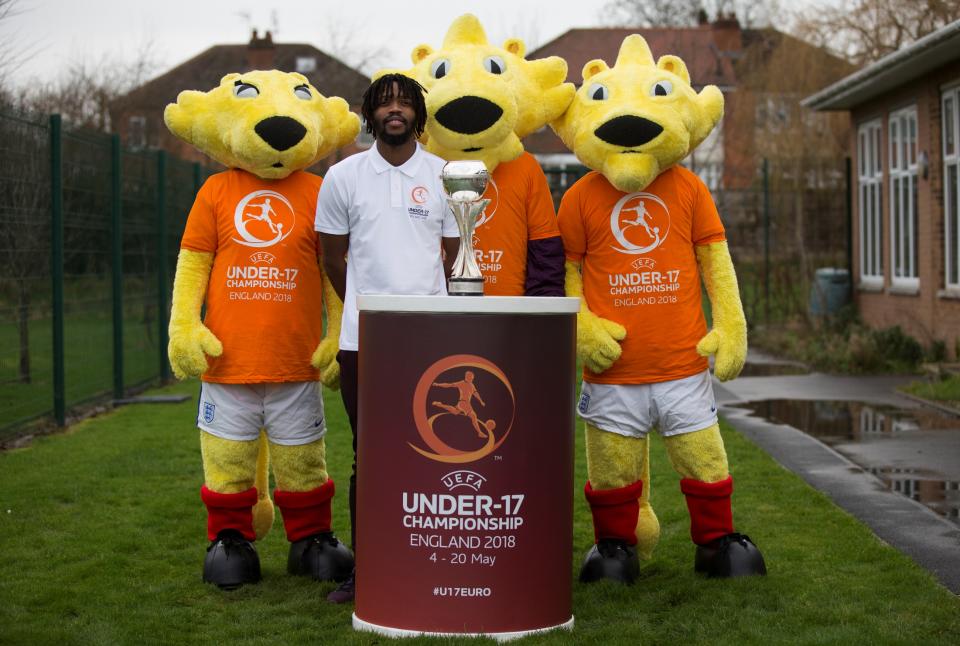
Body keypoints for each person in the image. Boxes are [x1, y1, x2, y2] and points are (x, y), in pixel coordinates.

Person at [315, 73, 460, 603]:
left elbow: (451, 254)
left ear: (419, 116)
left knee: (433, 452)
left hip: (431, 338)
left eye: (403, 103)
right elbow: (333, 257)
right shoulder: (344, 176)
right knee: (369, 454)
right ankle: (369, 567)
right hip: (364, 340)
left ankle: (426, 560)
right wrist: (361, 300)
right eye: (384, 103)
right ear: (369, 114)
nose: (394, 110)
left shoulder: (448, 175)